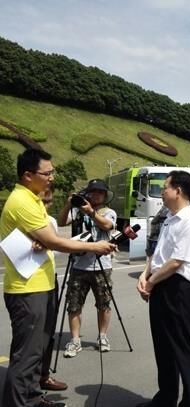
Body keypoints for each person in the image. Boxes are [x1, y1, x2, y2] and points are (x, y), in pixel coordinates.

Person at [0, 148, 115, 407]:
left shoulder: (33, 198)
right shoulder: (22, 201)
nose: (52, 177)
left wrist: (43, 241)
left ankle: (33, 396)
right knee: (26, 354)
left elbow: (46, 237)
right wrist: (94, 246)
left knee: (38, 350)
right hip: (27, 289)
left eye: (53, 172)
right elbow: (54, 239)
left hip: (41, 283)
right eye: (47, 173)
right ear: (28, 175)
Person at [137, 170, 190, 407]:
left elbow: (177, 261)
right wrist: (145, 275)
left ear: (178, 190)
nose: (162, 192)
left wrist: (151, 282)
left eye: (165, 187)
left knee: (180, 348)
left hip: (176, 289)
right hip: (160, 284)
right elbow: (158, 253)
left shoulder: (188, 222)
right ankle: (165, 398)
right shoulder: (169, 218)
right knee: (162, 347)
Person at [57, 179, 117, 357]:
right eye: (93, 191)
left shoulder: (108, 212)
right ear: (88, 193)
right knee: (74, 304)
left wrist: (91, 212)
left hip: (102, 265)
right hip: (79, 265)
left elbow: (107, 225)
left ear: (105, 195)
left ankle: (102, 336)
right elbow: (61, 222)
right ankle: (75, 340)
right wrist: (69, 205)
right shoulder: (77, 211)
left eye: (100, 192)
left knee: (104, 303)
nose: (96, 195)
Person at [38, 187, 68, 392]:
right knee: (33, 337)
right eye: (42, 202)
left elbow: (55, 250)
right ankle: (29, 387)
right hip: (29, 282)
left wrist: (48, 245)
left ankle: (44, 375)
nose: (46, 206)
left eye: (48, 202)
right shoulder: (25, 217)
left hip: (50, 278)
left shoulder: (50, 221)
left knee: (48, 332)